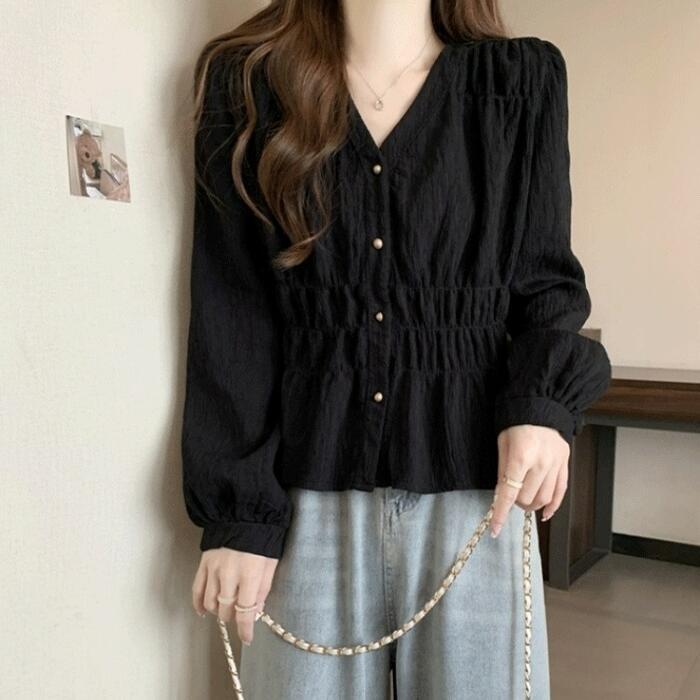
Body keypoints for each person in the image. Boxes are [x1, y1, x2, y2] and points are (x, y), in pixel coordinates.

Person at [180, 1, 612, 697]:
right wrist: (240, 515)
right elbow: (233, 312)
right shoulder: (250, 82)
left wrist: (542, 405)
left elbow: (546, 281)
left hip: (477, 496)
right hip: (305, 499)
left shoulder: (519, 80)